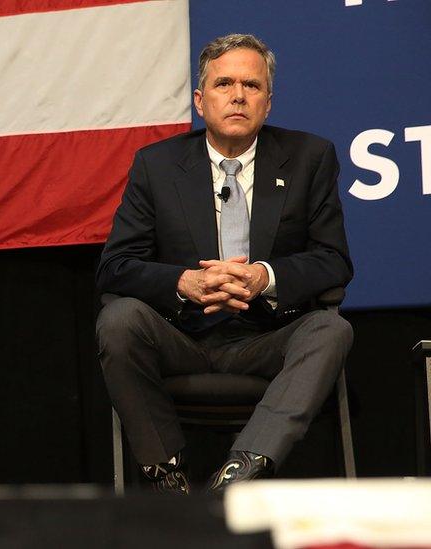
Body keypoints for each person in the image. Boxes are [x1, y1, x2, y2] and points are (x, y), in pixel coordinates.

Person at [95, 33, 353, 494]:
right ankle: (167, 476)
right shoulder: (156, 165)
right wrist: (186, 282)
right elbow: (116, 266)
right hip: (182, 337)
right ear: (200, 99)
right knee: (118, 319)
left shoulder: (310, 157)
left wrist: (263, 277)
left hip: (268, 337)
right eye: (224, 84)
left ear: (268, 103)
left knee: (332, 330)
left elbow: (333, 261)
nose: (238, 96)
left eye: (252, 86)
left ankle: (239, 474)